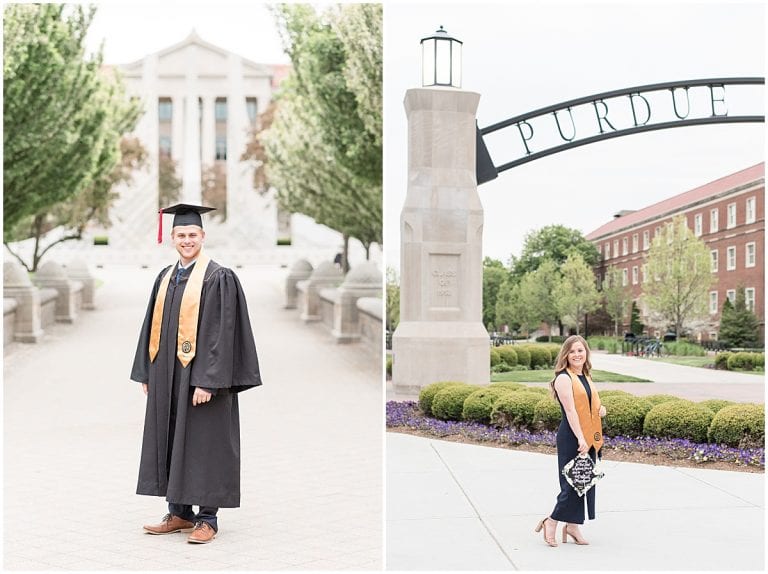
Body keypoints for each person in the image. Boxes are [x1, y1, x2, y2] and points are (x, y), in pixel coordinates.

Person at [130, 203, 262, 544]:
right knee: (172, 435)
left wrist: (209, 380)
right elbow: (150, 329)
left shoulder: (218, 277)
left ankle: (207, 518)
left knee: (205, 442)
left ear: (203, 236)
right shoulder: (164, 278)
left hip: (200, 380)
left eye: (192, 235)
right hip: (167, 376)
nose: (187, 240)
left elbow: (223, 333)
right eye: (181, 235)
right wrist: (147, 370)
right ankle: (179, 512)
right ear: (172, 237)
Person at [535, 335, 606, 547]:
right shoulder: (564, 378)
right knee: (571, 484)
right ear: (566, 354)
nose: (577, 355)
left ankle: (573, 526)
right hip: (572, 437)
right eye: (572, 351)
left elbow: (590, 404)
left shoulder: (585, 375)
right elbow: (570, 410)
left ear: (586, 353)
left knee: (583, 483)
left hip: (589, 437)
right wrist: (581, 438)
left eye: (580, 350)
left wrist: (600, 410)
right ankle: (552, 521)